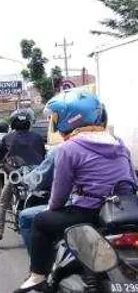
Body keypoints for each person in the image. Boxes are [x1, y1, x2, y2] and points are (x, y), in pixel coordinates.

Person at [14, 91, 136, 293]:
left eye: (56, 117)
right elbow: (132, 181)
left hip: (88, 213)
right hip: (121, 212)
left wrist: (51, 210)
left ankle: (38, 276)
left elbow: (59, 196)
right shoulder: (119, 143)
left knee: (37, 220)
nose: (54, 122)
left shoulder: (69, 148)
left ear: (69, 118)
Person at [18, 105, 109, 256]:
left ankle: (39, 272)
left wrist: (24, 180)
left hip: (85, 209)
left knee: (28, 217)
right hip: (115, 208)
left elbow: (56, 194)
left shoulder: (66, 148)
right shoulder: (116, 143)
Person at [0, 109, 46, 248]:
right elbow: (43, 156)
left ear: (12, 123)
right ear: (29, 122)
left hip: (16, 175)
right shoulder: (37, 137)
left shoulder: (7, 138)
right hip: (37, 174)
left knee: (2, 202)